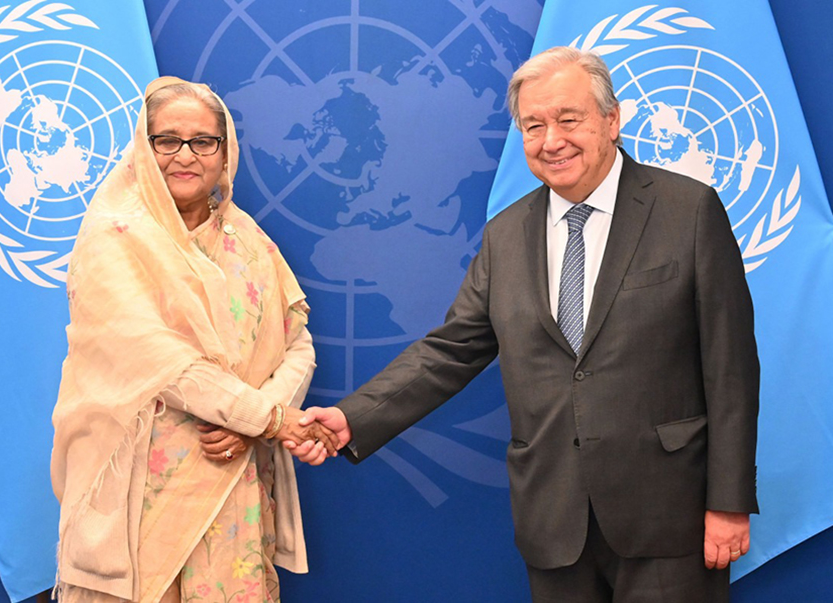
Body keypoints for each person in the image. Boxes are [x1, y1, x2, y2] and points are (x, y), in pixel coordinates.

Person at [288, 47, 759, 601]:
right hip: (554, 519)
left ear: (612, 120)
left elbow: (730, 369)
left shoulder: (689, 210)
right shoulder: (505, 235)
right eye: (533, 126)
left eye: (568, 119)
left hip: (669, 516)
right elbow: (451, 351)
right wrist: (353, 417)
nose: (551, 140)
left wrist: (728, 502)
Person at [51, 76, 337, 603]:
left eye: (204, 141)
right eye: (167, 140)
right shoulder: (113, 237)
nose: (185, 155)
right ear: (144, 147)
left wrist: (256, 422)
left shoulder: (250, 241)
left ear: (225, 154)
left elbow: (297, 344)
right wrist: (269, 419)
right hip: (142, 500)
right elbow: (161, 361)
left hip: (235, 489)